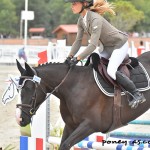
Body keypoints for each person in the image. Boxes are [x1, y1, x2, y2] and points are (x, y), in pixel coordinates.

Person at [64, 0, 146, 108]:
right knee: (94, 64)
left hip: (119, 45)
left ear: (84, 4)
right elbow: (78, 41)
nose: (72, 6)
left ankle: (136, 93)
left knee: (111, 71)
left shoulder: (95, 18)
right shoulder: (81, 20)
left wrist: (78, 58)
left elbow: (93, 45)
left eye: (74, 3)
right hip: (106, 48)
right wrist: (70, 56)